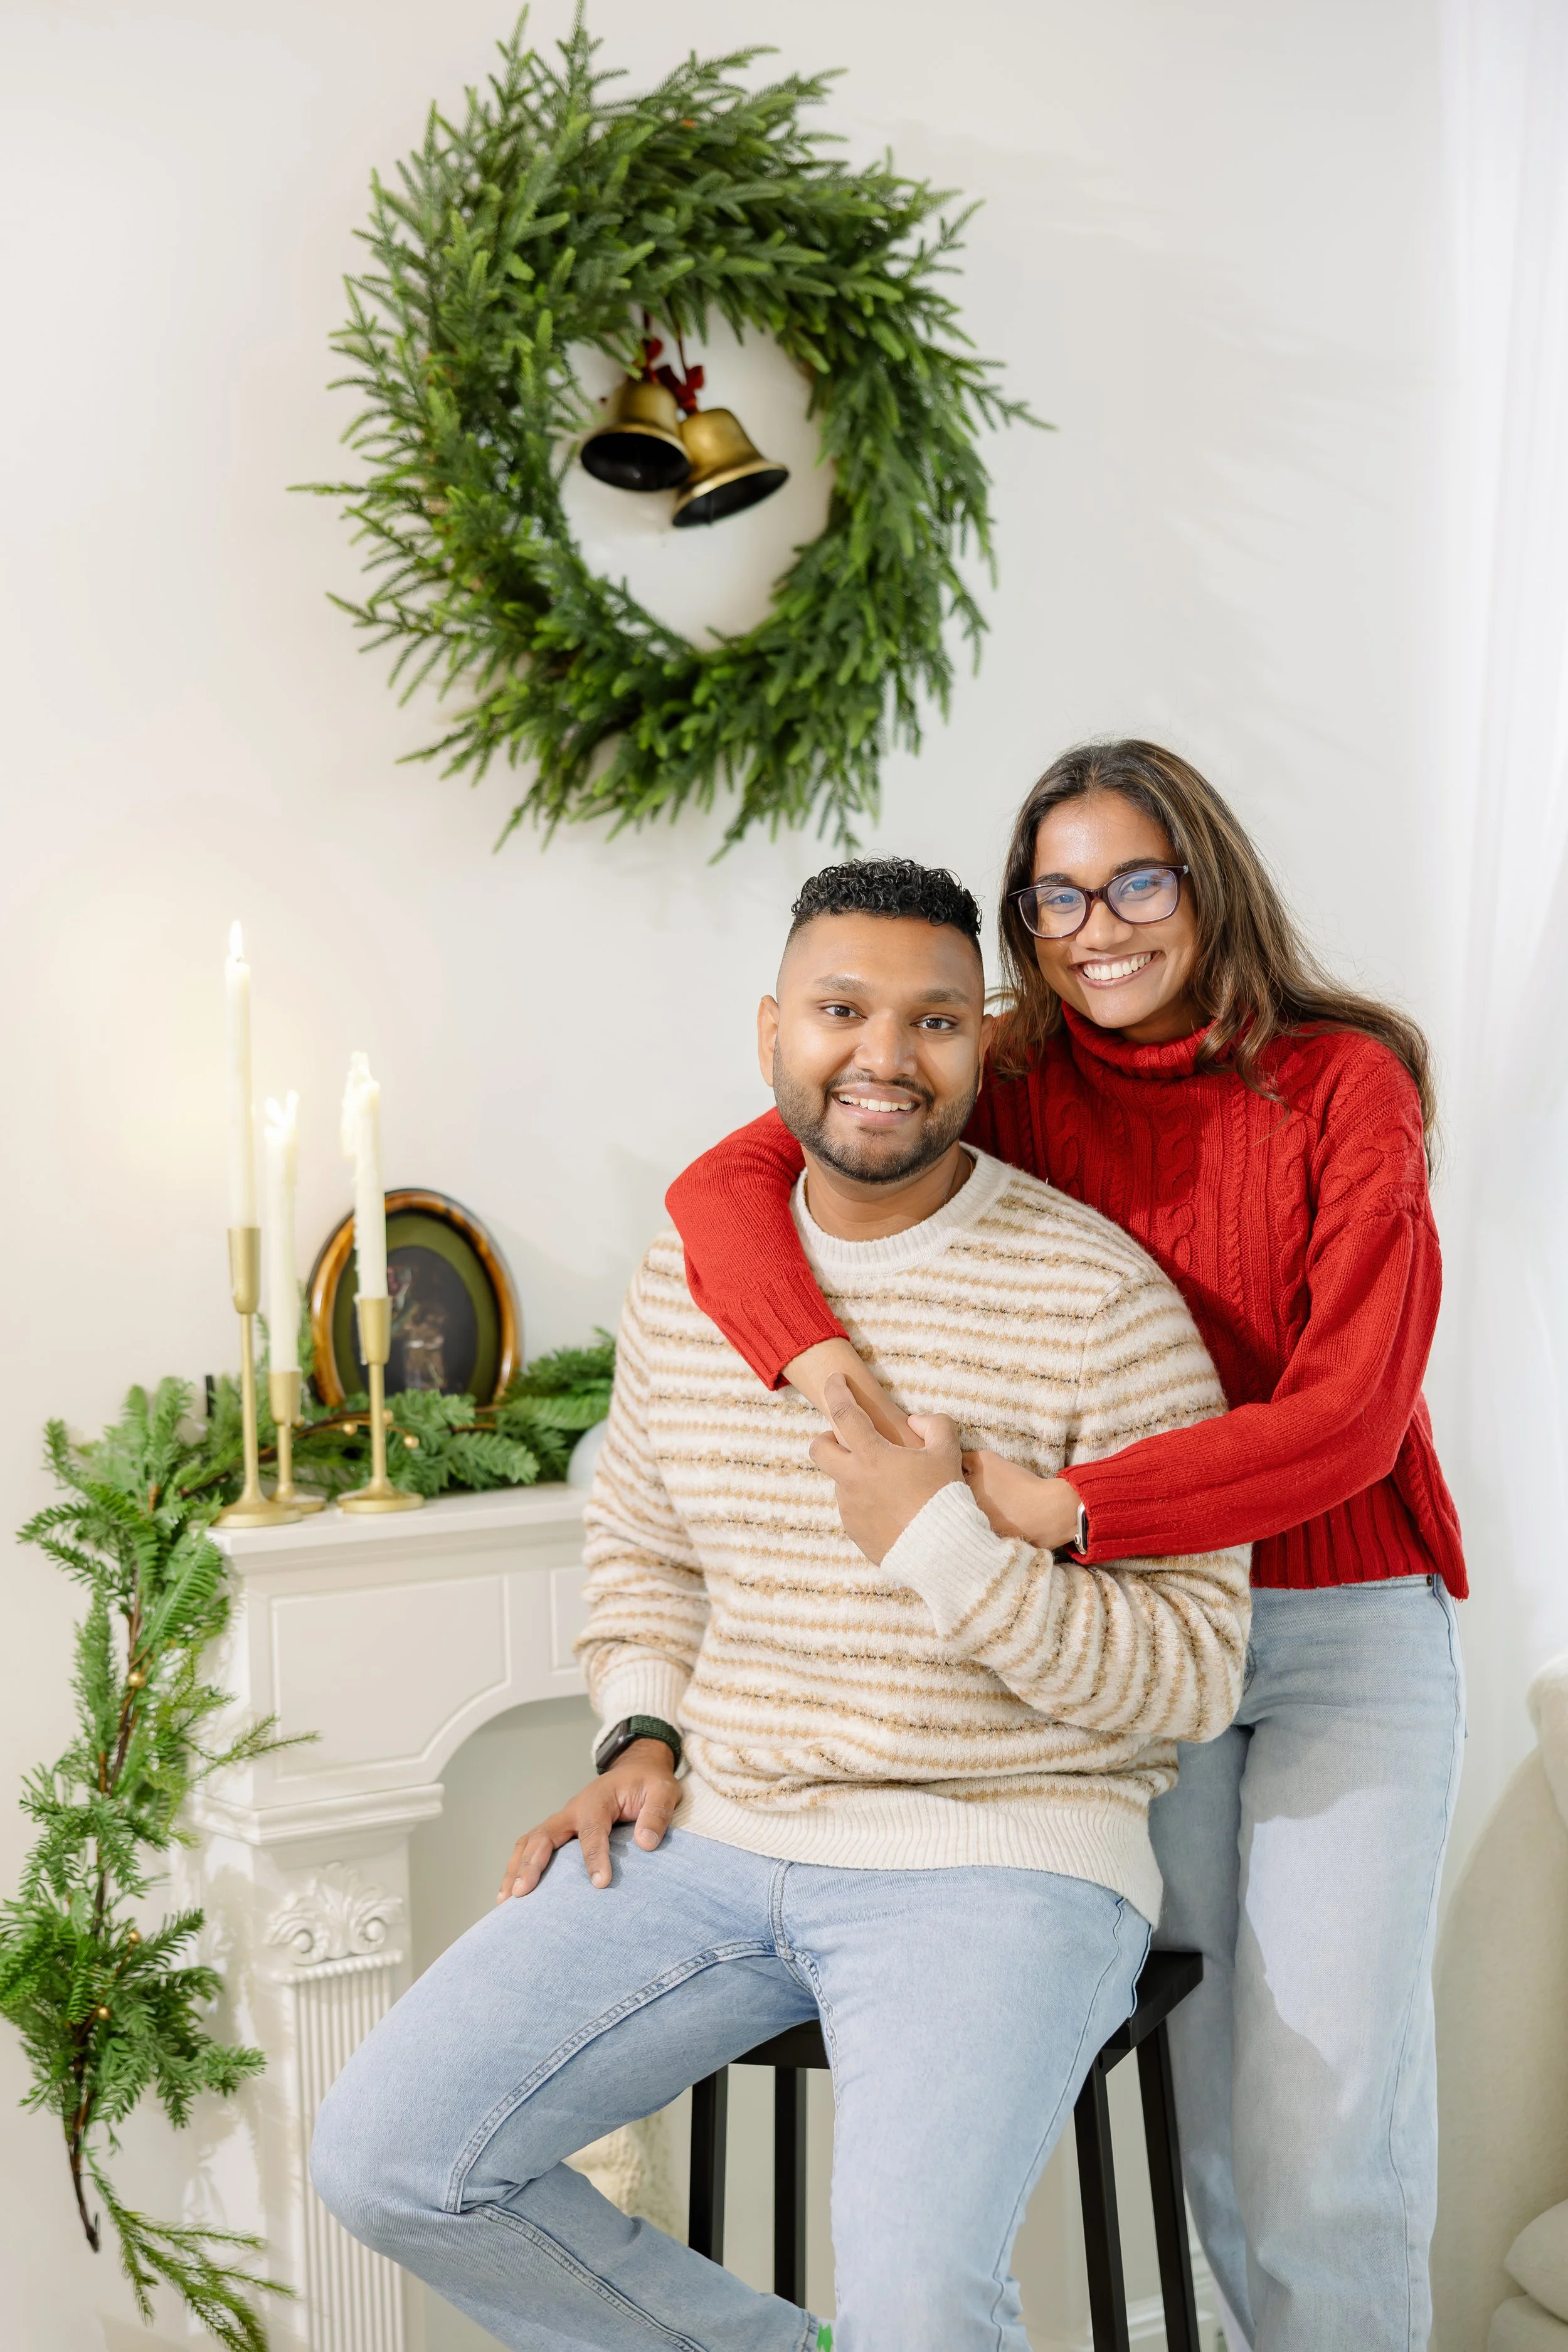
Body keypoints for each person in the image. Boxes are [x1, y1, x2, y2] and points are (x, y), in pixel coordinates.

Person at [310, 856, 1251, 2352]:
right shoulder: (689, 1274)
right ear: (771, 1035)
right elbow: (643, 1544)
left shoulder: (1098, 1300)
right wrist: (638, 1733)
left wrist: (942, 1543)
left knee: (922, 2307)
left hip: (999, 1850)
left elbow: (1194, 1674)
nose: (883, 1057)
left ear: (980, 1048)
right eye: (840, 1009)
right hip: (722, 1826)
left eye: (933, 1022)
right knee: (389, 2159)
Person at [665, 743, 1468, 2352]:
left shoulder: (1338, 1080)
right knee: (1209, 2113)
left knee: (1322, 2122)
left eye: (1135, 883)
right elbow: (722, 1186)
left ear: (1205, 882)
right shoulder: (1011, 1071)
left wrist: (1070, 1506)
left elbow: (1351, 1419)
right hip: (1137, 1650)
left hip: (1335, 1626)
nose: (1096, 928)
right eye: (1055, 898)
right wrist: (809, 1361)